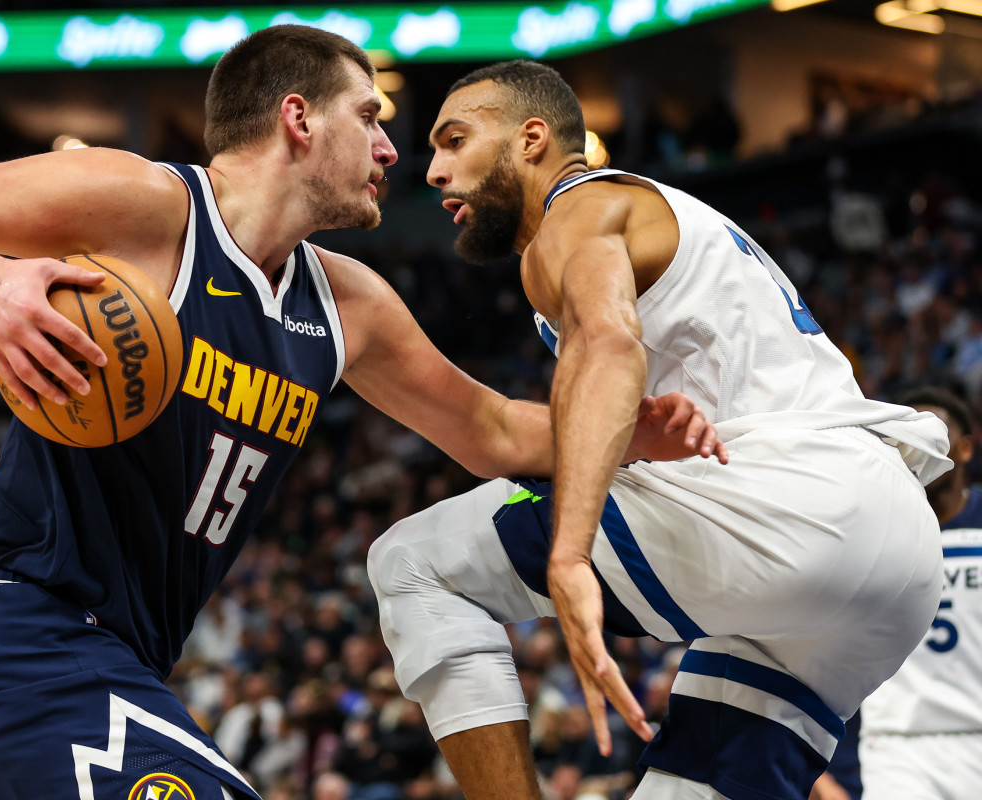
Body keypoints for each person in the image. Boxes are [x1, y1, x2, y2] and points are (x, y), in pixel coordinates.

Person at [0, 27, 721, 800]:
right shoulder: (148, 207)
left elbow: (488, 432)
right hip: (11, 635)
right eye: (368, 116)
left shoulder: (350, 305)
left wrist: (631, 431)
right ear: (298, 118)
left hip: (122, 661)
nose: (392, 147)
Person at [366, 60, 951, 800]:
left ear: (532, 138)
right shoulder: (674, 220)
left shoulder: (575, 212)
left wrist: (570, 554)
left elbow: (606, 344)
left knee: (414, 563)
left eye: (454, 141)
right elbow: (508, 438)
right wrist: (633, 438)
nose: (436, 171)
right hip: (892, 553)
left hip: (789, 510)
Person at [855, 387, 982, 800]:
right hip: (896, 744)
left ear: (964, 448)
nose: (918, 448)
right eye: (907, 438)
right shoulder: (871, 528)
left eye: (935, 434)